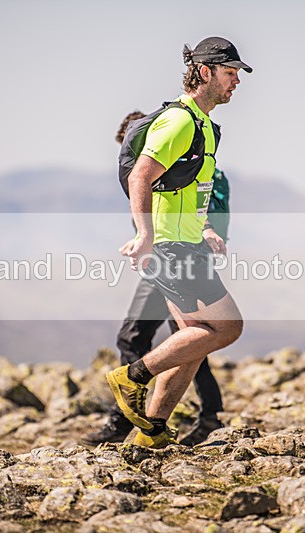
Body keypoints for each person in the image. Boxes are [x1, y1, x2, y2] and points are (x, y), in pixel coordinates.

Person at [104, 36, 251, 449]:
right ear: (204, 72)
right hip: (171, 248)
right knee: (228, 327)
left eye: (238, 73)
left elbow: (191, 189)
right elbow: (141, 176)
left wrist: (205, 228)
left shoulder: (203, 124)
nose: (236, 81)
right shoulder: (180, 120)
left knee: (191, 342)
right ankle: (130, 377)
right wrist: (145, 236)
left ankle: (150, 433)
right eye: (229, 72)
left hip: (188, 243)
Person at [83, 109, 232, 447]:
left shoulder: (188, 165)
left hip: (176, 257)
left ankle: (138, 413)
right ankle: (157, 426)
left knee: (182, 336)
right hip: (166, 257)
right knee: (191, 337)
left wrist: (201, 231)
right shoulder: (179, 162)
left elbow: (200, 208)